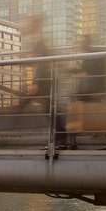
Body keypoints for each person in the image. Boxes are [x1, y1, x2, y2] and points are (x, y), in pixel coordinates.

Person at [72, 35, 106, 150]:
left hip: (93, 92)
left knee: (101, 118)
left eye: (82, 42)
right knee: (99, 118)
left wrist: (68, 70)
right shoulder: (89, 54)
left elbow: (88, 73)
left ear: (87, 42)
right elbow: (86, 73)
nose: (80, 44)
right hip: (91, 91)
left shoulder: (92, 55)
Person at [24, 16, 67, 147]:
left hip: (46, 79)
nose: (28, 25)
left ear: (36, 24)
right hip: (46, 78)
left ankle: (60, 139)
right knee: (50, 108)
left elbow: (41, 62)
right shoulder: (38, 38)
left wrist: (35, 82)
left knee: (50, 108)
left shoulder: (40, 38)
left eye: (31, 23)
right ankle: (59, 138)